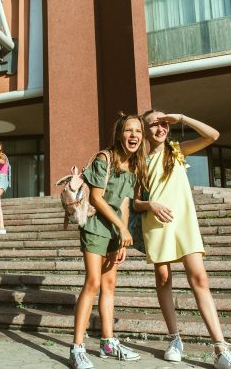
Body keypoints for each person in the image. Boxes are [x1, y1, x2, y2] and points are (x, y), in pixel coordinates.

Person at [134, 110, 231, 369]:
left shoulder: (176, 150)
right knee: (163, 279)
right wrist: (150, 204)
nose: (161, 128)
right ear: (145, 129)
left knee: (199, 278)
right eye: (154, 124)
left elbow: (213, 135)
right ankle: (175, 339)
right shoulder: (139, 160)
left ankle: (220, 348)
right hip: (157, 223)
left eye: (164, 124)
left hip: (184, 223)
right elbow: (135, 202)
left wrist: (182, 118)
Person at [69, 112, 147, 369]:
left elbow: (124, 202)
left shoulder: (133, 166)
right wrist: (122, 228)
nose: (133, 135)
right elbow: (96, 198)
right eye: (128, 130)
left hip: (114, 232)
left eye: (137, 131)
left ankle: (107, 342)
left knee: (109, 285)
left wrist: (122, 235)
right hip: (94, 227)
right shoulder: (105, 158)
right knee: (92, 282)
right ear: (119, 134)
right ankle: (77, 348)